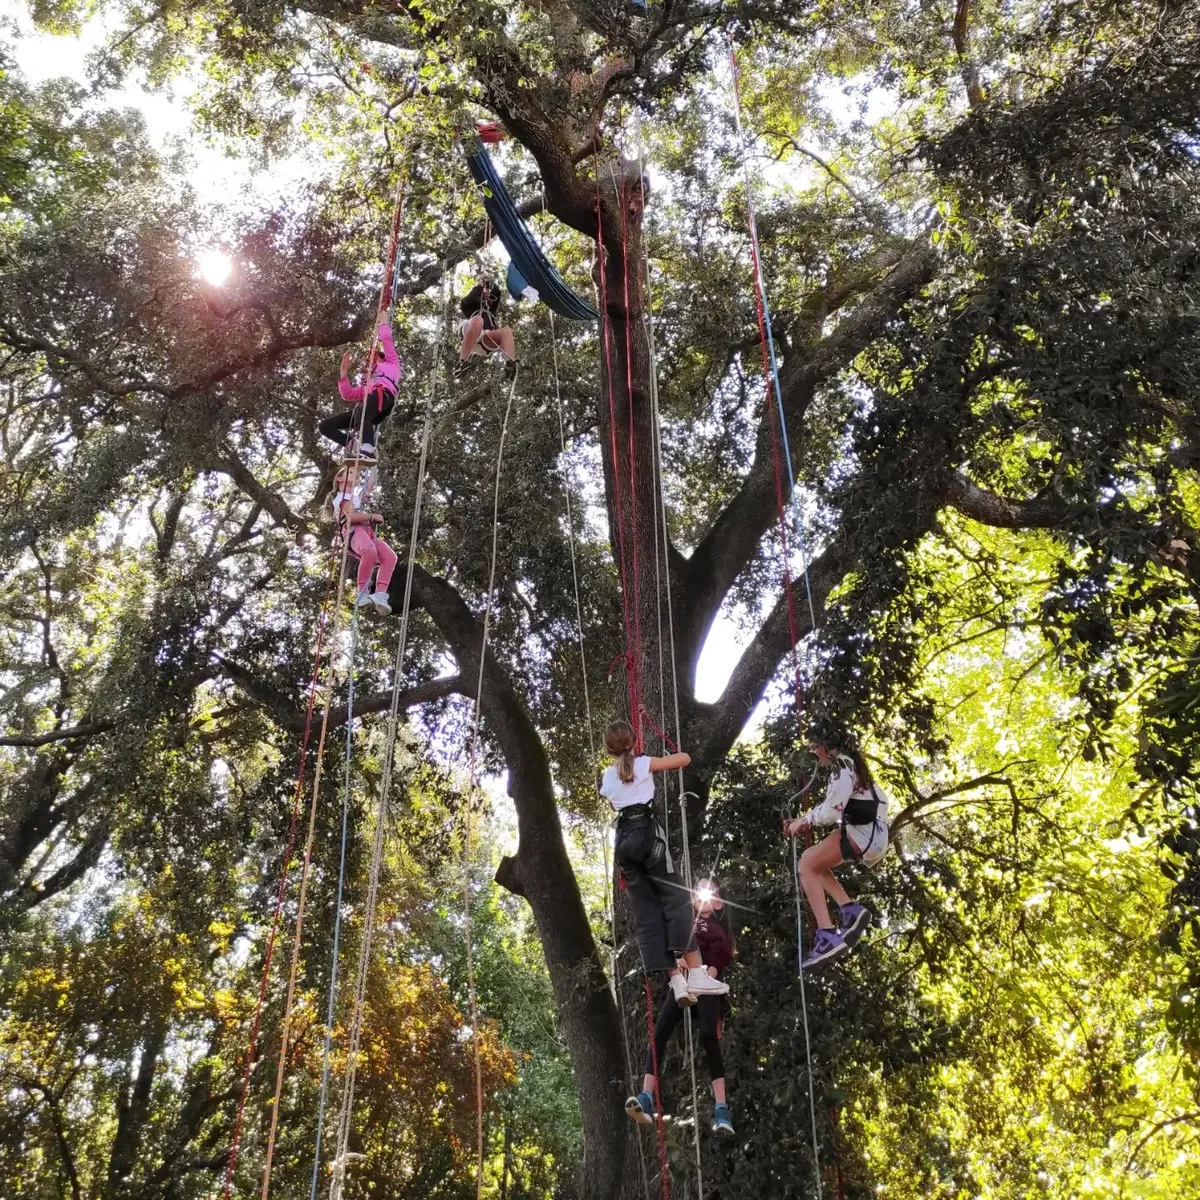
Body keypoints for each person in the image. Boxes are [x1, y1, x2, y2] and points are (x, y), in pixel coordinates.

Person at [626, 878, 737, 1136]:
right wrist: (678, 966)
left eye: (710, 892)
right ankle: (645, 1095)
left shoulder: (717, 929)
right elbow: (672, 946)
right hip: (683, 983)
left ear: (718, 902)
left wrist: (706, 976)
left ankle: (721, 1108)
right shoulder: (684, 922)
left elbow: (721, 955)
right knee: (660, 1031)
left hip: (705, 985)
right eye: (699, 890)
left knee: (709, 1037)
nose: (703, 896)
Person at [784, 721, 889, 970]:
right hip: (868, 833)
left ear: (827, 746)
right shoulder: (850, 767)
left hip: (864, 834)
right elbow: (835, 806)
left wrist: (803, 821)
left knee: (806, 865)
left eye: (814, 746)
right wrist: (803, 821)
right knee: (813, 861)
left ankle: (827, 933)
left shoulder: (843, 765)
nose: (813, 752)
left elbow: (833, 810)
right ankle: (849, 909)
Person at [319, 322, 403, 461]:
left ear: (381, 357)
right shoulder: (367, 386)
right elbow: (347, 394)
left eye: (372, 357)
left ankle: (368, 447)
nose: (368, 361)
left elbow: (387, 339)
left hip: (384, 397)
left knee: (361, 413)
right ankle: (354, 446)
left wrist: (382, 321)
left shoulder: (391, 364)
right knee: (325, 426)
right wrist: (343, 373)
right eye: (367, 360)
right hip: (369, 408)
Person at [330, 461, 396, 615]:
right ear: (340, 478)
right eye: (352, 473)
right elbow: (351, 517)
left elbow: (370, 485)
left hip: (367, 532)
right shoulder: (341, 498)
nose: (357, 475)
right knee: (369, 551)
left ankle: (380, 594)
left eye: (358, 474)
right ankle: (362, 593)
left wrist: (373, 463)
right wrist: (372, 516)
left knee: (389, 556)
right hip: (353, 531)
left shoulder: (355, 497)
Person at [454, 278, 518, 380]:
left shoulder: (490, 310)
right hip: (471, 331)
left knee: (507, 331)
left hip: (486, 339)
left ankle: (510, 364)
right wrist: (480, 285)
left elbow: (497, 292)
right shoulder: (468, 304)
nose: (487, 294)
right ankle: (462, 362)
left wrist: (489, 282)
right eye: (484, 292)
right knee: (478, 320)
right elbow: (471, 298)